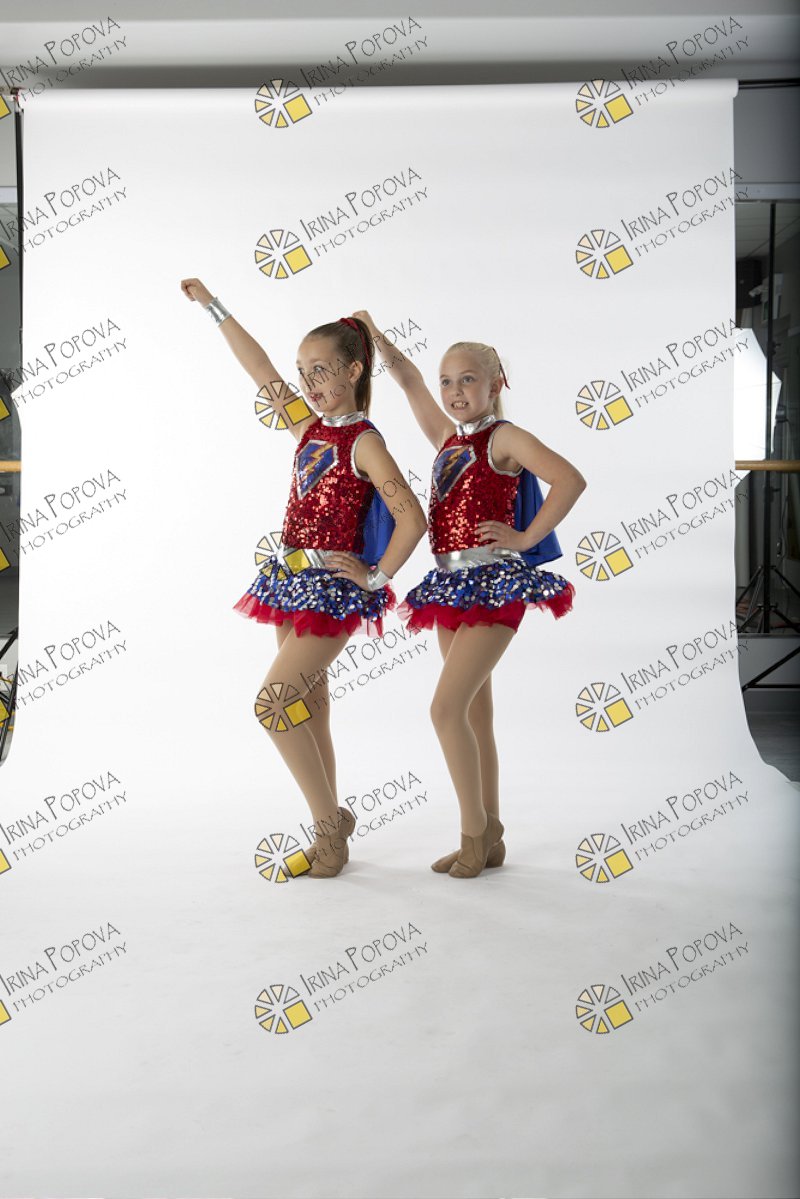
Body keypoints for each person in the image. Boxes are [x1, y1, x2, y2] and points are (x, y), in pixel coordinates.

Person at [181, 280, 427, 878]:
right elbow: (260, 369)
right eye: (303, 372)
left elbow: (412, 517)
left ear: (354, 370)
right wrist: (214, 306)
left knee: (273, 704)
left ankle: (328, 831)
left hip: (333, 591)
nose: (308, 382)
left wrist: (377, 576)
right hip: (289, 581)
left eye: (320, 370)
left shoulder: (363, 442)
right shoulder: (307, 428)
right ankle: (331, 825)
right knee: (306, 707)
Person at [353, 309, 587, 879]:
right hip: (450, 586)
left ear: (495, 383)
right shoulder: (446, 439)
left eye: (468, 380)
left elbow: (570, 478)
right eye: (447, 382)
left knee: (444, 709)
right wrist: (375, 335)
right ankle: (493, 831)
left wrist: (525, 538)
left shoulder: (504, 438)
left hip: (495, 584)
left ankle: (473, 834)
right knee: (475, 715)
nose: (455, 391)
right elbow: (407, 379)